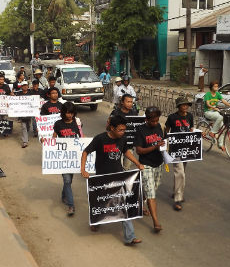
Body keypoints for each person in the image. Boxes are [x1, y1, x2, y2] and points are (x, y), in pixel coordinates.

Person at [81, 115, 144, 246]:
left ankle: (129, 237)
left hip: (118, 177)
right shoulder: (100, 139)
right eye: (120, 130)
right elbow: (85, 152)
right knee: (100, 203)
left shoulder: (123, 139)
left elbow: (126, 152)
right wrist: (83, 170)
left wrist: (137, 163)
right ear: (112, 128)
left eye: (124, 130)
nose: (123, 132)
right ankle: (96, 222)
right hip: (102, 178)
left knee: (123, 204)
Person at [134, 106, 165, 233]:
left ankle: (140, 202)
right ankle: (156, 222)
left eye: (157, 120)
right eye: (153, 121)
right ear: (147, 120)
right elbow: (139, 150)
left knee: (152, 188)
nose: (155, 123)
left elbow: (162, 141)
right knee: (151, 193)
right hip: (146, 164)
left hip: (159, 163)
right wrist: (155, 146)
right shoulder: (140, 130)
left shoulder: (158, 127)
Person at [52, 102, 83, 216]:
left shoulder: (77, 123)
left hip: (74, 157)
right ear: (63, 112)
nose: (69, 115)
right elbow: (54, 138)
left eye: (71, 113)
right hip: (63, 157)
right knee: (67, 180)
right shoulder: (58, 124)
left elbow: (81, 138)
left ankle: (64, 195)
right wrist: (47, 143)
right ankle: (71, 205)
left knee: (69, 179)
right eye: (67, 112)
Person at [165, 96, 194, 211]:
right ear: (178, 106)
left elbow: (191, 129)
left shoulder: (190, 116)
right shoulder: (172, 117)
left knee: (181, 172)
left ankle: (176, 191)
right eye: (183, 104)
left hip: (187, 149)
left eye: (187, 104)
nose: (185, 106)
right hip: (175, 149)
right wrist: (165, 144)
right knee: (180, 172)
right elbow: (166, 130)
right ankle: (178, 199)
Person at [203, 80, 230, 149]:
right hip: (208, 112)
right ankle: (212, 132)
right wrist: (214, 108)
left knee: (223, 127)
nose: (216, 87)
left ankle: (220, 144)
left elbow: (224, 101)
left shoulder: (217, 94)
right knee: (220, 117)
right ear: (211, 87)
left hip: (215, 112)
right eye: (215, 86)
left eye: (217, 86)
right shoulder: (208, 94)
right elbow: (208, 104)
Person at [16, 82, 35, 147]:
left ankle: (26, 137)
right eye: (23, 86)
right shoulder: (18, 94)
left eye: (26, 85)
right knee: (23, 127)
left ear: (28, 86)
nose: (25, 87)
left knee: (28, 126)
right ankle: (25, 141)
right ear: (21, 87)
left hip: (29, 114)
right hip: (21, 114)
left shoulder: (31, 93)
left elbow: (34, 101)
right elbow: (15, 102)